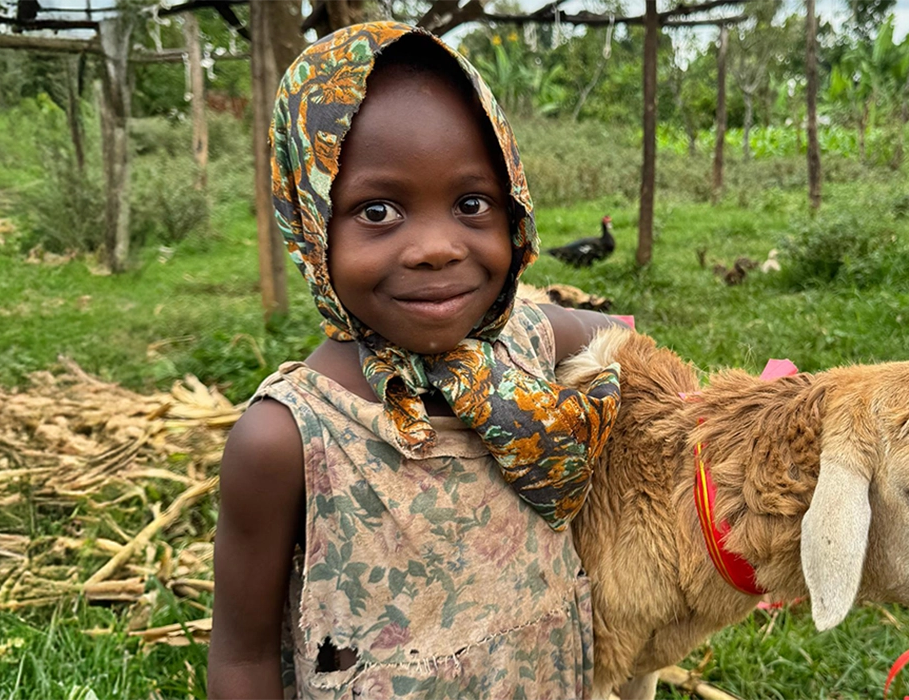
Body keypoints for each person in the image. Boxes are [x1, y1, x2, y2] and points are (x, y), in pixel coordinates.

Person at [207, 22, 624, 699]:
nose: (437, 247)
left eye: (471, 204)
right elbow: (242, 659)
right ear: (309, 223)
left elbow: (622, 341)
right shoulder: (287, 440)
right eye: (378, 210)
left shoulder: (529, 343)